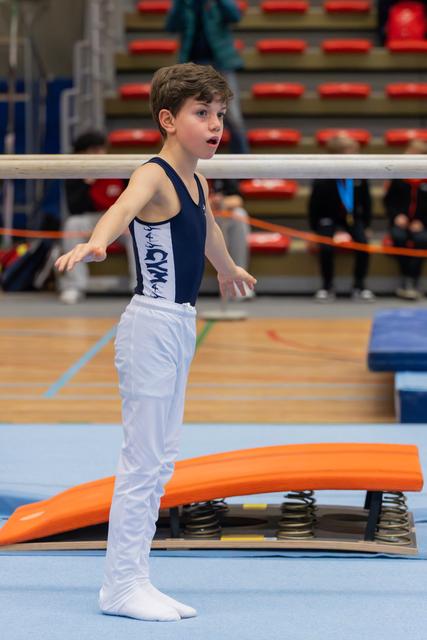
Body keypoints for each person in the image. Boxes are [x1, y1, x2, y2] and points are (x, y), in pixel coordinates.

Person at [55, 63, 256, 622]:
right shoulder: (154, 173)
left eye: (219, 114)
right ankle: (120, 586)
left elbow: (209, 228)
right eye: (202, 114)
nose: (216, 125)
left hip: (180, 324)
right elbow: (120, 208)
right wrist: (97, 245)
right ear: (167, 120)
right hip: (149, 325)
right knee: (143, 460)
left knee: (162, 458)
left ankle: (135, 577)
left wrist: (228, 265)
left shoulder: (197, 180)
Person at [58, 130, 136, 304]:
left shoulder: (117, 169)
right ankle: (74, 285)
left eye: (101, 149)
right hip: (92, 219)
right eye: (94, 149)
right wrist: (86, 184)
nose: (99, 153)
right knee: (72, 224)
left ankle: (139, 287)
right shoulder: (74, 174)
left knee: (136, 227)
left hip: (117, 219)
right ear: (81, 153)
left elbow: (131, 200)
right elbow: (75, 208)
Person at [165, 0, 250, 155]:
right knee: (185, 115)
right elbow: (171, 26)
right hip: (192, 65)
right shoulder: (185, 3)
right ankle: (183, 161)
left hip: (220, 63)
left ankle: (244, 169)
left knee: (233, 117)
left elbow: (235, 16)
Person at [308, 134, 374, 301]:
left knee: (363, 244)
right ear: (336, 154)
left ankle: (359, 285)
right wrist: (315, 230)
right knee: (326, 246)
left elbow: (367, 202)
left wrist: (366, 226)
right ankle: (327, 285)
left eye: (356, 152)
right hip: (327, 219)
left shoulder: (359, 175)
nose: (356, 156)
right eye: (350, 152)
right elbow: (314, 206)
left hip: (352, 218)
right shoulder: (323, 176)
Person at [384, 139, 427, 300]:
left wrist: (422, 221)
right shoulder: (399, 176)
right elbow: (389, 201)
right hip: (400, 222)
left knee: (422, 239)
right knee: (399, 237)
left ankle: (414, 279)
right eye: (409, 153)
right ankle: (405, 278)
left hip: (421, 223)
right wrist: (397, 216)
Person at [209, 178, 251, 295]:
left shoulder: (222, 173)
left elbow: (237, 199)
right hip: (194, 214)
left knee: (239, 215)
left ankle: (236, 279)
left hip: (218, 214)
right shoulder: (191, 170)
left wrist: (221, 203)